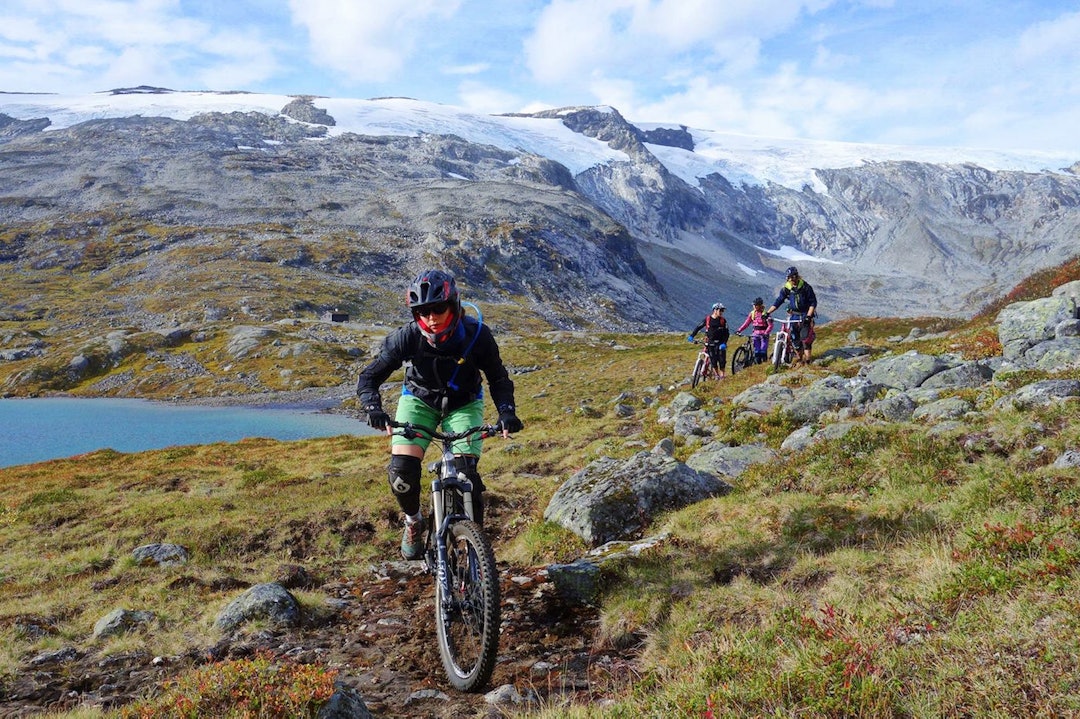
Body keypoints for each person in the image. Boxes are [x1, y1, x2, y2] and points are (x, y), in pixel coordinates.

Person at [356, 269, 523, 560]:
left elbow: (497, 378)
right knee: (401, 474)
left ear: (454, 305)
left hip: (464, 404)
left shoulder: (477, 335)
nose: (431, 317)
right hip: (419, 401)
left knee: (467, 479)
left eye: (438, 308)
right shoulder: (406, 338)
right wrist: (374, 408)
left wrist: (506, 412)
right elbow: (369, 378)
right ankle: (413, 521)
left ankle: (477, 555)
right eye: (422, 311)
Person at [764, 266, 818, 364]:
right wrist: (768, 313)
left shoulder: (806, 287)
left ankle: (808, 361)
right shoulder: (787, 289)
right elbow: (778, 301)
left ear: (797, 276)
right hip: (794, 316)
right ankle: (800, 358)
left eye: (793, 277)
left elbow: (813, 303)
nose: (791, 279)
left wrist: (809, 317)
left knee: (805, 339)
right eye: (789, 277)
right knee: (794, 339)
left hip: (805, 315)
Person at [687, 302, 730, 379]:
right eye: (720, 310)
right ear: (715, 310)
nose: (721, 312)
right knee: (713, 360)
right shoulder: (708, 319)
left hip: (720, 343)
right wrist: (692, 335)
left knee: (722, 360)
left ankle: (722, 375)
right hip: (710, 342)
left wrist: (724, 343)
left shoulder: (723, 321)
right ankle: (717, 375)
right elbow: (698, 327)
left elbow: (727, 333)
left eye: (722, 311)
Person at [735, 297, 774, 364]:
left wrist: (766, 332)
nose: (755, 306)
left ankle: (764, 365)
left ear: (760, 305)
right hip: (755, 335)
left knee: (763, 351)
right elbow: (746, 323)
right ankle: (757, 365)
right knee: (757, 351)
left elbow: (770, 325)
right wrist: (739, 330)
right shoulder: (752, 313)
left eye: (756, 305)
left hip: (764, 335)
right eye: (754, 305)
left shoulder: (765, 314)